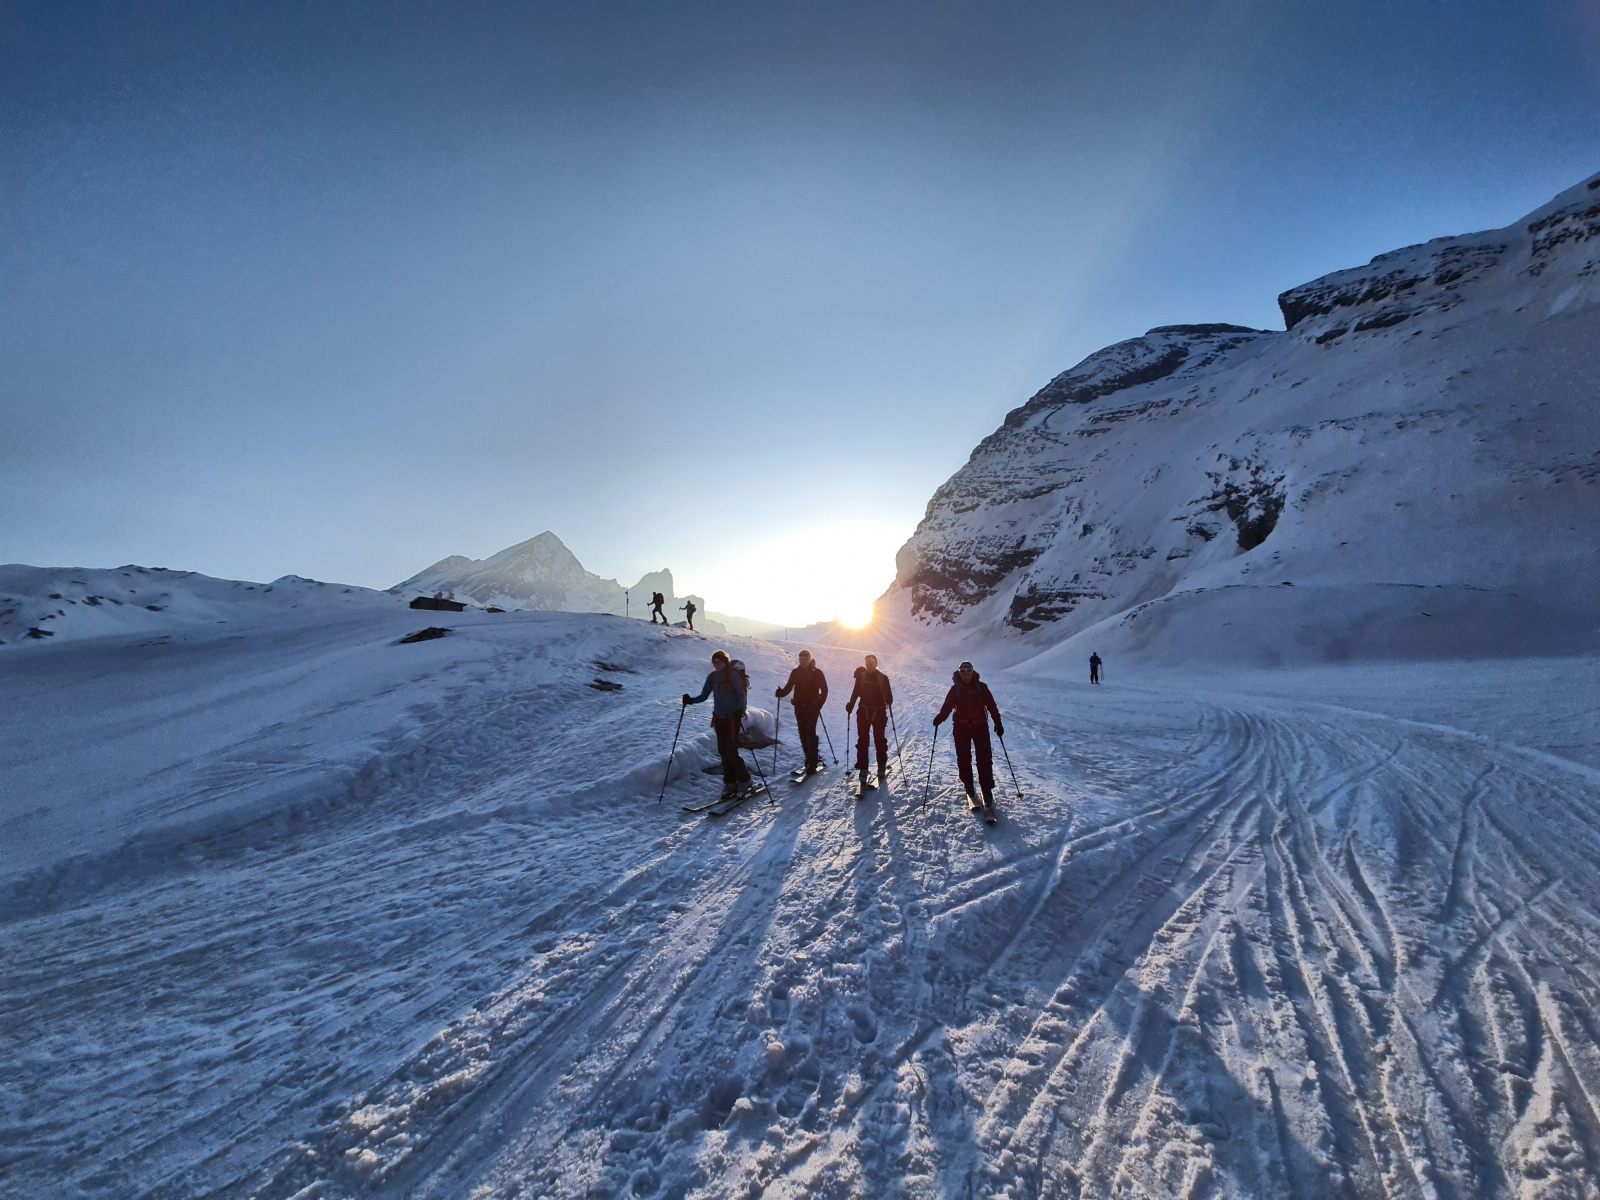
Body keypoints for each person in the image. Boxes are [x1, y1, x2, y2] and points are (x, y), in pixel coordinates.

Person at [933, 660, 1004, 812]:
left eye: (968, 670)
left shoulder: (981, 688)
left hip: (980, 726)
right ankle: (969, 786)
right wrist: (940, 718)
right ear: (959, 672)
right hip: (961, 726)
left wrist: (998, 723)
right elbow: (947, 707)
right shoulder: (955, 689)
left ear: (973, 672)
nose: (966, 673)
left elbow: (992, 705)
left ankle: (986, 789)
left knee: (984, 758)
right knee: (963, 758)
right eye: (963, 671)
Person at [683, 649, 750, 799]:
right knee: (723, 752)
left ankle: (745, 780)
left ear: (725, 662)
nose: (715, 665)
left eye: (718, 662)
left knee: (731, 752)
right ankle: (730, 783)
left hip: (733, 718)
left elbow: (741, 695)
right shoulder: (713, 677)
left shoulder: (732, 675)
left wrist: (740, 711)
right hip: (719, 719)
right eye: (713, 662)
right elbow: (704, 695)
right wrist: (691, 700)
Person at [775, 649, 828, 775]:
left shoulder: (817, 673)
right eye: (801, 659)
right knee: (802, 733)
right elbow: (789, 687)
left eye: (805, 659)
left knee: (810, 732)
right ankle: (809, 758)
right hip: (799, 707)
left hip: (812, 707)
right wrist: (781, 692)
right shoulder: (795, 672)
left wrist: (819, 705)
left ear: (809, 659)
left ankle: (812, 762)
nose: (803, 661)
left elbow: (825, 690)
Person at [845, 653, 894, 788]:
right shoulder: (861, 677)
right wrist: (851, 704)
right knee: (863, 742)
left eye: (872, 662)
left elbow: (890, 697)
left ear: (876, 663)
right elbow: (855, 692)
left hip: (878, 712)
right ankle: (863, 769)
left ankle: (881, 766)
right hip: (864, 712)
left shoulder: (883, 678)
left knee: (879, 740)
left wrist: (888, 700)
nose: (869, 665)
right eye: (867, 663)